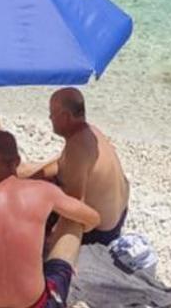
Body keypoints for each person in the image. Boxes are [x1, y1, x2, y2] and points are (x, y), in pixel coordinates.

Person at [0, 129, 99, 308]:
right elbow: (93, 218)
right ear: (17, 161)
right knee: (73, 221)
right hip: (38, 305)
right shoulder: (43, 192)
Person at [18, 87, 130, 248]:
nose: (50, 117)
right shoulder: (91, 132)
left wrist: (50, 238)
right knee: (41, 181)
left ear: (65, 116)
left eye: (52, 113)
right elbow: (62, 163)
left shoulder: (76, 149)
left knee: (32, 209)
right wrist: (32, 174)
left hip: (101, 232)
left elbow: (74, 206)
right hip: (119, 215)